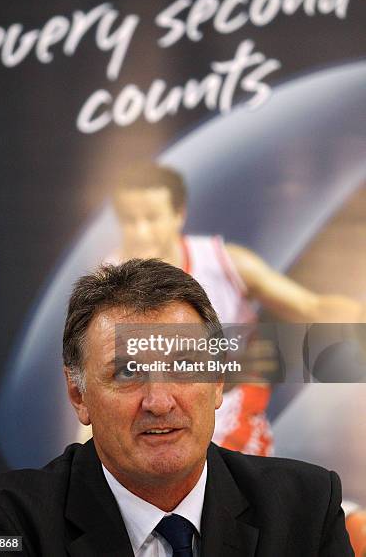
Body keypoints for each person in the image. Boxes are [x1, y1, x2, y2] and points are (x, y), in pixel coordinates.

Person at [0, 260, 354, 555]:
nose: (160, 402)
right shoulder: (6, 522)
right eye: (128, 372)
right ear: (79, 396)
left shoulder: (307, 504)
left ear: (217, 382)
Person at [78, 163, 365, 456]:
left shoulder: (225, 263)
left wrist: (357, 317)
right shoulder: (103, 288)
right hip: (148, 432)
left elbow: (312, 307)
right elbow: (95, 387)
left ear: (179, 215)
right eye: (129, 220)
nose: (141, 232)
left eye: (152, 218)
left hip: (231, 426)